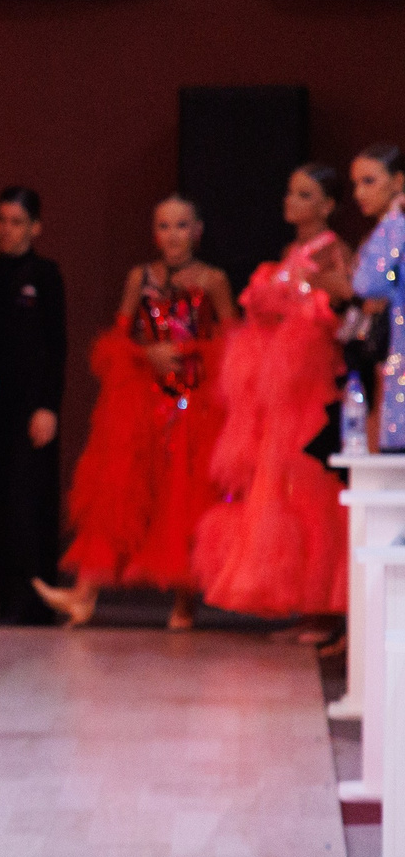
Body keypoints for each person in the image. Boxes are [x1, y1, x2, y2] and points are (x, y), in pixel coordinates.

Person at [36, 196, 235, 631]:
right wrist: (149, 354)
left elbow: (234, 343)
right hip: (145, 401)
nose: (172, 235)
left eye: (182, 226)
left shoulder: (213, 280)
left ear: (197, 231)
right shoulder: (139, 278)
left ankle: (185, 602)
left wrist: (186, 351)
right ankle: (83, 595)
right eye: (163, 226)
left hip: (194, 403)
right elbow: (119, 340)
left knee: (184, 498)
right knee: (117, 494)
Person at [193, 164, 352, 625]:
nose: (291, 201)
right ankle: (304, 605)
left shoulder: (330, 251)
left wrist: (300, 300)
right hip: (280, 390)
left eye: (304, 194)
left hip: (310, 386)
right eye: (290, 191)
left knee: (309, 491)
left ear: (326, 205)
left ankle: (325, 608)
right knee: (279, 489)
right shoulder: (293, 250)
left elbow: (338, 304)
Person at [0, 187, 68, 625]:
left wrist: (48, 406)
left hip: (34, 406)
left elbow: (56, 347)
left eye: (16, 222)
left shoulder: (46, 275)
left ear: (36, 228)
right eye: (1, 220)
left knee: (32, 502)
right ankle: (8, 602)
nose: (6, 230)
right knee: (2, 502)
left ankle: (38, 602)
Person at [350, 145, 405, 449]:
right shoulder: (389, 228)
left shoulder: (395, 227)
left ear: (398, 181)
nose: (359, 193)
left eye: (369, 181)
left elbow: (367, 283)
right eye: (356, 183)